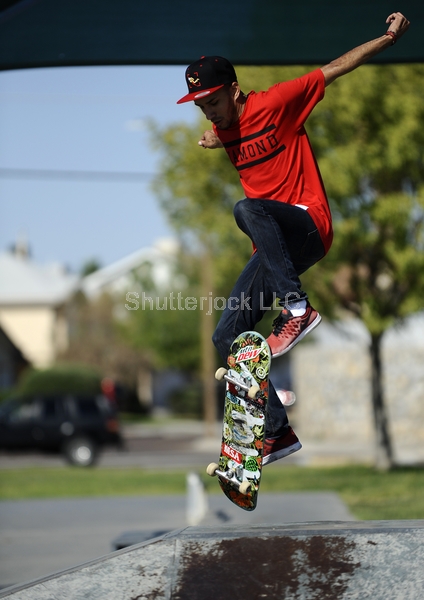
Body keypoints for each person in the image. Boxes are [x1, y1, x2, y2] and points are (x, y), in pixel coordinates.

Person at [177, 12, 410, 465]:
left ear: (235, 91)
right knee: (227, 336)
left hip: (309, 225)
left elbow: (334, 69)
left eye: (214, 101)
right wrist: (215, 138)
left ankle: (298, 309)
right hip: (275, 252)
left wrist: (387, 38)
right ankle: (278, 433)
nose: (210, 112)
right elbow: (226, 133)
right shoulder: (222, 131)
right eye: (201, 106)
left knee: (247, 209)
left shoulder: (279, 101)